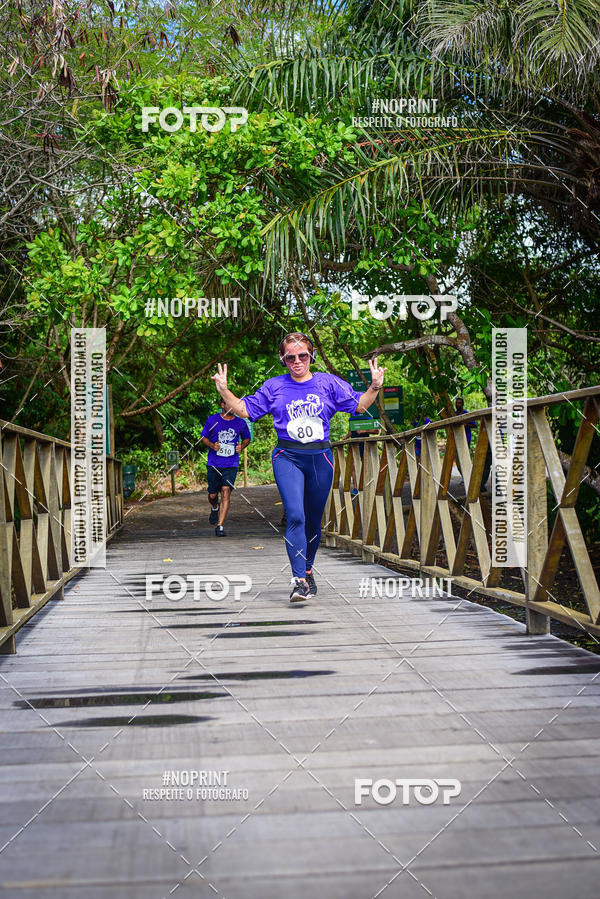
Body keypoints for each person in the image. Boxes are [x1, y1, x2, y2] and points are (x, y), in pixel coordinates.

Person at [211, 332, 386, 602]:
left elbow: (360, 406)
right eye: (290, 357)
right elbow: (245, 409)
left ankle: (307, 568)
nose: (297, 361)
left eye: (302, 355)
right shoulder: (274, 386)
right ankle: (299, 581)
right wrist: (224, 389)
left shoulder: (328, 383)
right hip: (287, 456)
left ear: (311, 355)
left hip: (320, 458)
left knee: (313, 521)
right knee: (295, 515)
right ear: (283, 359)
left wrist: (374, 386)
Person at [201, 396, 251, 536]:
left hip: (231, 463)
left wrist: (242, 446)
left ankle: (220, 526)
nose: (232, 407)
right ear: (223, 405)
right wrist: (212, 445)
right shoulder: (212, 420)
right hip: (214, 463)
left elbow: (247, 438)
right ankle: (214, 508)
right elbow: (204, 438)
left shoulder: (240, 422)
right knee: (212, 495)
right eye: (229, 404)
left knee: (226, 490)